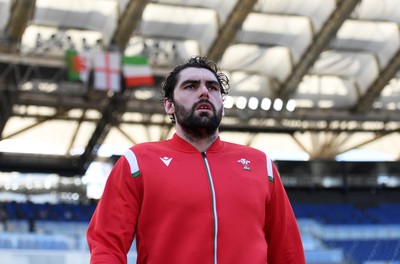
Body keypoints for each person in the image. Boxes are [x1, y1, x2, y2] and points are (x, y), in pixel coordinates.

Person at [87, 56, 306, 264]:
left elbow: (288, 252)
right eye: (191, 86)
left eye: (212, 87)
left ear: (222, 102)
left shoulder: (261, 165)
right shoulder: (137, 162)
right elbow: (107, 245)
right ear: (169, 105)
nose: (204, 92)